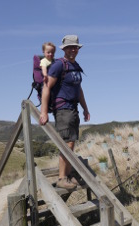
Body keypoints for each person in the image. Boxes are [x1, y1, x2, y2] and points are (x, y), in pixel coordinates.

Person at [39, 35, 90, 190]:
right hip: (63, 109)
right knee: (66, 144)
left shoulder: (75, 67)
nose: (73, 50)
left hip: (73, 108)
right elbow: (46, 87)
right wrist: (44, 111)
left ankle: (67, 176)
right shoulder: (58, 65)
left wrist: (85, 108)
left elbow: (78, 90)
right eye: (70, 47)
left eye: (75, 47)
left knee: (71, 143)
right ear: (64, 49)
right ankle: (61, 178)